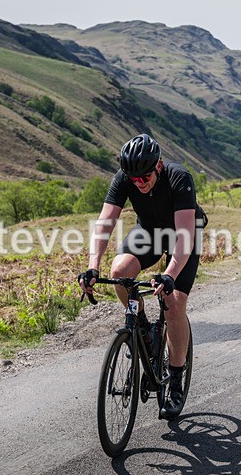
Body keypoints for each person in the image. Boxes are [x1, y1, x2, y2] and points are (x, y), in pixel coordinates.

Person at [78, 134, 206, 421]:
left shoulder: (179, 177)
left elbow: (185, 236)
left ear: (158, 166)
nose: (138, 182)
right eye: (133, 179)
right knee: (119, 273)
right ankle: (144, 330)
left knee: (172, 302)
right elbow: (105, 223)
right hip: (149, 232)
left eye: (144, 177)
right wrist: (92, 267)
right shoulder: (124, 178)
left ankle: (174, 379)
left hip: (184, 235)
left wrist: (170, 275)